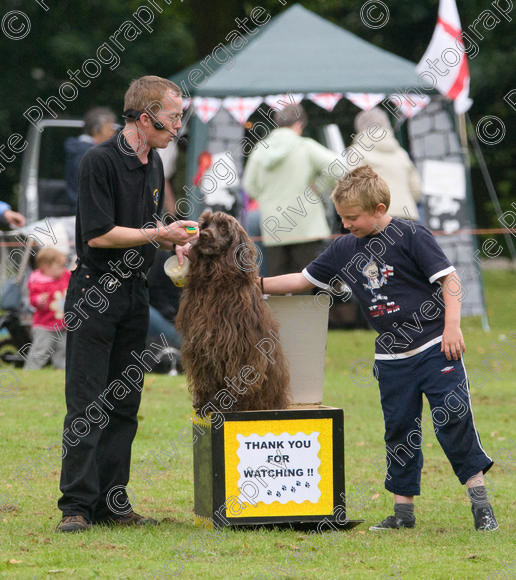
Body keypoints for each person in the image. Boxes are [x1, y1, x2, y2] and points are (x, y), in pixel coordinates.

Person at [261, 166, 498, 532]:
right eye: (341, 217)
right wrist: (252, 282)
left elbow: (450, 279)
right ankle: (403, 513)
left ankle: (481, 506)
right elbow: (302, 280)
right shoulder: (343, 249)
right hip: (391, 359)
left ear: (379, 208)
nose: (345, 225)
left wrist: (453, 327)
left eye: (352, 218)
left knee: (453, 421)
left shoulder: (411, 235)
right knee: (399, 430)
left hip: (436, 348)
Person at [56, 76, 198, 533]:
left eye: (179, 116)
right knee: (87, 403)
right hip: (95, 292)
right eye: (172, 117)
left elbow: (147, 225)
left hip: (135, 293)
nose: (178, 126)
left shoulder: (154, 162)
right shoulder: (98, 162)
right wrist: (159, 234)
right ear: (144, 117)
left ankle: (112, 503)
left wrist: (171, 243)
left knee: (124, 404)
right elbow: (100, 233)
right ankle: (76, 506)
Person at [243, 104, 338, 276]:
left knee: (278, 288)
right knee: (306, 286)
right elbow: (339, 167)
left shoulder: (259, 150)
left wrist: (266, 199)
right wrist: (319, 187)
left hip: (274, 230)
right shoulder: (306, 146)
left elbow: (250, 187)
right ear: (299, 124)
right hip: (308, 229)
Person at [352, 107, 422, 221]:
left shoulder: (356, 152)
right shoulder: (400, 153)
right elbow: (416, 188)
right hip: (407, 215)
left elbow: (351, 188)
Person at [24, 248, 70, 370]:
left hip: (63, 323)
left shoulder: (65, 275)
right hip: (44, 325)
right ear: (45, 267)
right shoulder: (38, 282)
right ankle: (31, 370)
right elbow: (32, 299)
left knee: (63, 348)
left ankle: (62, 369)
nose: (62, 269)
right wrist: (39, 300)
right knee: (41, 349)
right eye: (59, 267)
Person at [64, 107, 117, 206]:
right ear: (96, 130)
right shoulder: (88, 153)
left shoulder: (80, 149)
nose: (113, 133)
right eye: (109, 129)